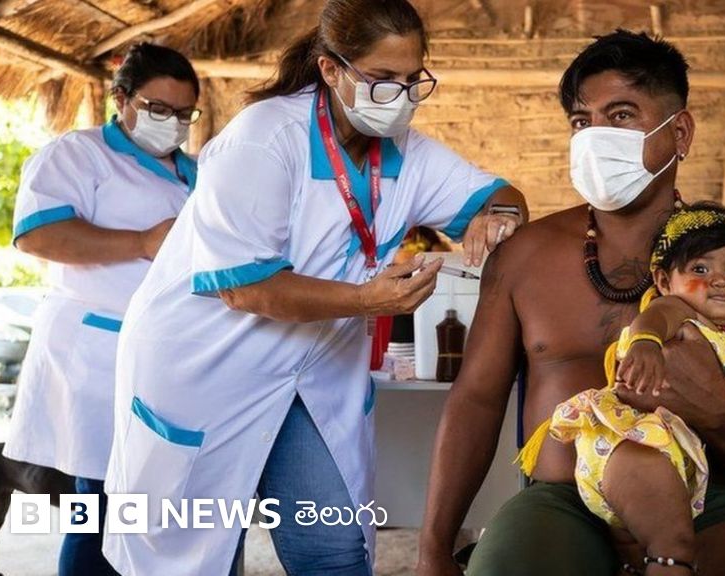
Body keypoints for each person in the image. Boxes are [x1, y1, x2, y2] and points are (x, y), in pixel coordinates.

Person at [100, 1, 527, 574]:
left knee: (335, 552)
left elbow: (503, 196)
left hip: (311, 382)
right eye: (382, 79)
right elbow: (248, 290)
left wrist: (497, 215)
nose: (399, 97)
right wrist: (367, 300)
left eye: (411, 80)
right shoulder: (263, 139)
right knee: (195, 557)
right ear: (331, 69)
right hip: (205, 371)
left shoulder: (411, 154)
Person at [417, 30, 725, 576]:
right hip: (562, 501)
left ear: (679, 132)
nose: (596, 137)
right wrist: (433, 547)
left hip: (705, 500)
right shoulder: (525, 257)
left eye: (622, 115)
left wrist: (719, 406)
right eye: (582, 122)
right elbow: (476, 401)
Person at [2, 43, 201, 576]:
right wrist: (141, 242)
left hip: (172, 360)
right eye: (159, 109)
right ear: (122, 98)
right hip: (97, 354)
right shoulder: (78, 154)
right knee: (100, 502)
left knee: (163, 507)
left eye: (184, 114)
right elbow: (39, 235)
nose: (172, 123)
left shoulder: (196, 172)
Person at [515, 203, 725, 574]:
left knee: (642, 544)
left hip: (659, 458)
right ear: (664, 282)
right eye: (701, 269)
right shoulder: (679, 310)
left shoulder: (724, 339)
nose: (719, 281)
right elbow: (654, 319)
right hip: (635, 444)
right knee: (674, 547)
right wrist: (646, 343)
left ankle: (628, 552)